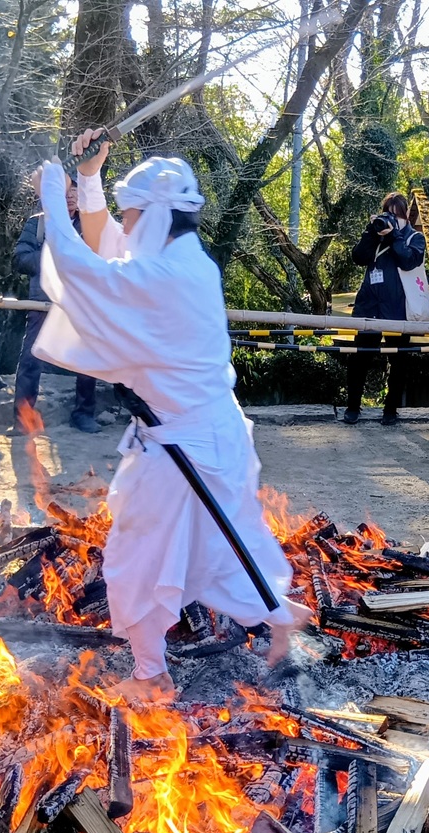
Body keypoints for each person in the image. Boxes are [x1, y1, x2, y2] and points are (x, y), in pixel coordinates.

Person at [29, 131, 310, 701]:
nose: (126, 226)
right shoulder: (180, 262)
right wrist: (89, 178)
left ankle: (151, 675)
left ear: (154, 217)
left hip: (183, 444)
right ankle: (280, 617)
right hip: (207, 435)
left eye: (132, 215)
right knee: (224, 541)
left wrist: (53, 194)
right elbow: (106, 248)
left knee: (134, 556)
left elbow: (85, 271)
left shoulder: (168, 276)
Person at [12, 179, 100, 434]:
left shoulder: (91, 224)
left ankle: (83, 414)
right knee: (31, 359)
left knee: (86, 359)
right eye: (65, 192)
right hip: (42, 301)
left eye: (75, 191)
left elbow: (103, 258)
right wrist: (55, 257)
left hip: (80, 301)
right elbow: (20, 259)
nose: (71, 196)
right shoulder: (38, 223)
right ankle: (23, 420)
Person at [343, 193, 427, 426]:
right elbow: (358, 257)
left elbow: (408, 261)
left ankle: (391, 409)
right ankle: (352, 407)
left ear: (406, 216)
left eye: (396, 215)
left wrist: (394, 236)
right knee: (359, 359)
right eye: (388, 214)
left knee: (399, 363)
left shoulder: (415, 237)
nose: (391, 219)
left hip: (399, 309)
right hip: (369, 306)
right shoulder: (376, 235)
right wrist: (371, 232)